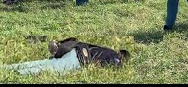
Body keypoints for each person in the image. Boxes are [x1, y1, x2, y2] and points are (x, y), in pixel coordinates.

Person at [2, 37, 130, 75]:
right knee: (48, 70)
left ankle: (9, 67)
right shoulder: (116, 57)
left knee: (45, 63)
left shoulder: (106, 49)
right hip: (79, 60)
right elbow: (116, 63)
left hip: (74, 50)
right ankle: (19, 74)